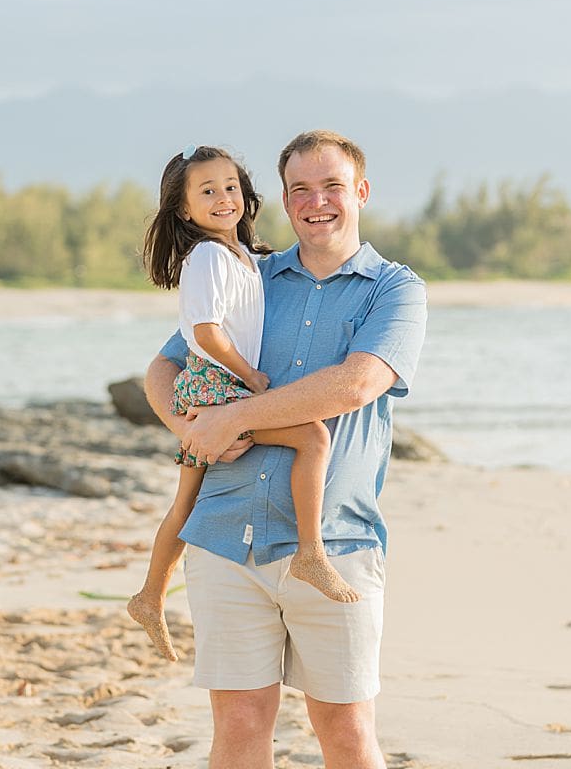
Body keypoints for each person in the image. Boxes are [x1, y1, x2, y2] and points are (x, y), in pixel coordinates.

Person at [143, 130, 427, 769]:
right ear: (282, 197)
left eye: (331, 186)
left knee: (347, 732)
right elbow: (163, 369)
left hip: (334, 542)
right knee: (239, 726)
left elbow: (358, 382)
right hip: (224, 540)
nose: (316, 201)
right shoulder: (249, 272)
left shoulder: (394, 289)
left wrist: (234, 416)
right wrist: (193, 429)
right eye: (300, 188)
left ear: (361, 191)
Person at [128, 145, 363, 665]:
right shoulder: (210, 257)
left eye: (230, 187)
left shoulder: (246, 259)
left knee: (186, 499)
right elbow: (206, 334)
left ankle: (149, 595)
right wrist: (250, 377)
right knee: (313, 437)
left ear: (247, 195)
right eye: (206, 191)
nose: (222, 198)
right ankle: (312, 553)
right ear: (185, 210)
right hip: (216, 382)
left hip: (210, 386)